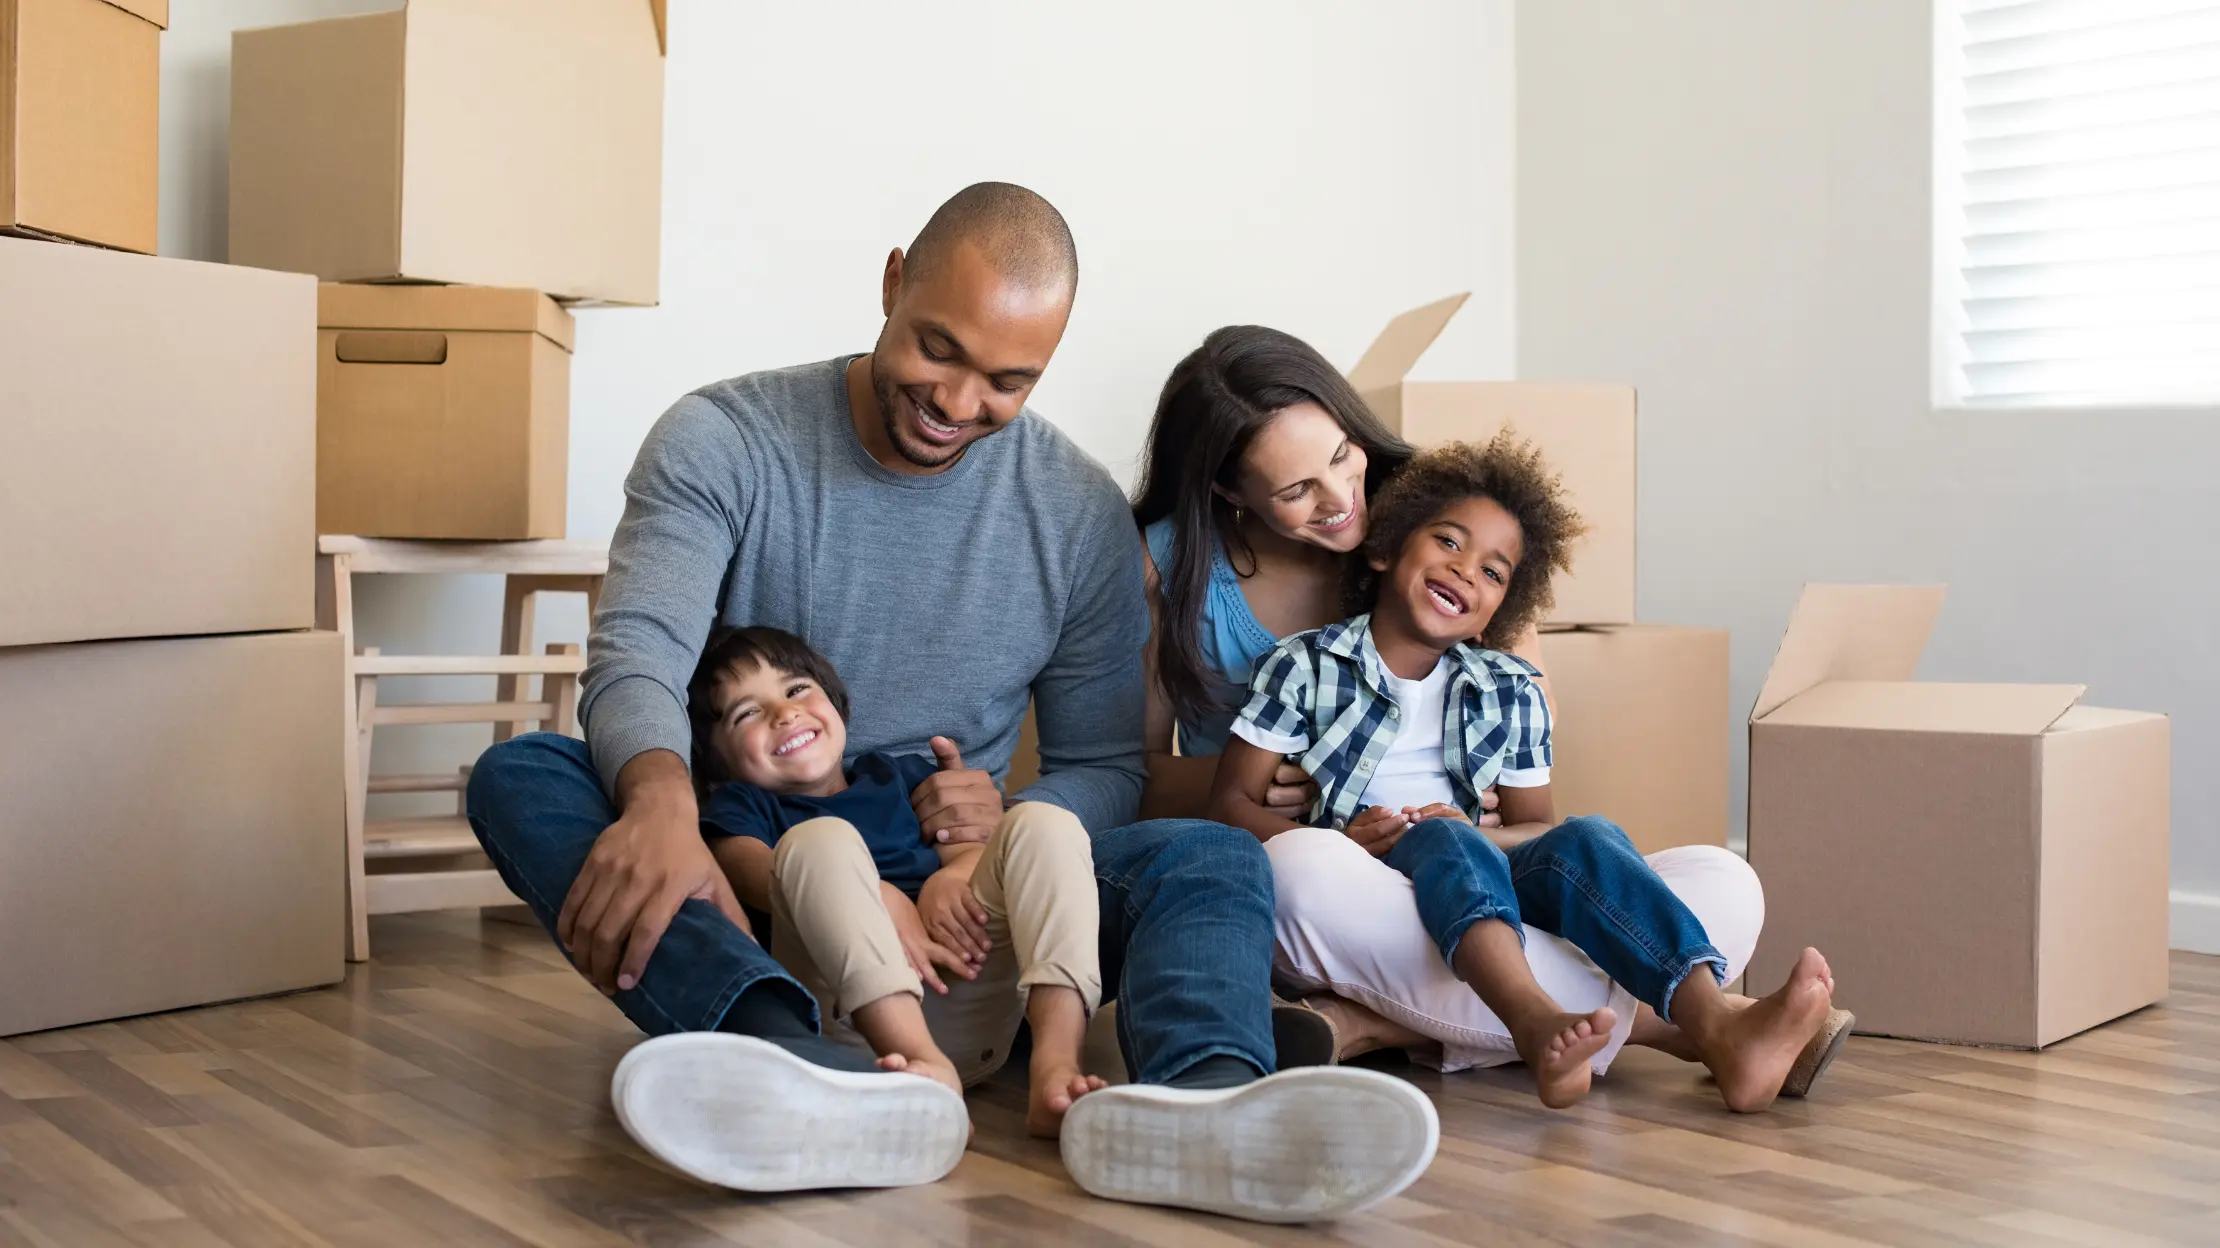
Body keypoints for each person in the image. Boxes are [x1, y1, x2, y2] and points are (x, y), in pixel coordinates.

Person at [466, 183, 1437, 1221]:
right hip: (757, 868)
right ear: (892, 283)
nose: (959, 401)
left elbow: (1106, 763)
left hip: (973, 912)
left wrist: (996, 834)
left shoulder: (1073, 514)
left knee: (1209, 854)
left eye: (1007, 381)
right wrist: (663, 804)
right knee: (525, 775)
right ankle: (778, 1054)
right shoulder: (722, 440)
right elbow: (639, 655)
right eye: (939, 349)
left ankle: (1203, 1101)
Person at [1131, 325, 1852, 1093]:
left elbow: (1532, 809)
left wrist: (1490, 835)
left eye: (1342, 456)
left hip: (1482, 871)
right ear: (1230, 492)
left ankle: (1374, 1024)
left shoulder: (1452, 527)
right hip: (1334, 877)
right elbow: (1137, 778)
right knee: (1305, 870)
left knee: (1724, 881)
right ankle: (1679, 1029)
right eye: (1296, 489)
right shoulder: (1231, 612)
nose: (1345, 501)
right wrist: (1297, 796)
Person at [682, 624, 1108, 1135]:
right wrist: (876, 895)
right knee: (820, 840)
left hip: (971, 989)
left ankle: (1056, 1067)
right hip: (859, 1024)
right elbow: (749, 873)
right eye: (747, 712)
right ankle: (923, 1067)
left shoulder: (897, 775)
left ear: (837, 706)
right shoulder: (741, 807)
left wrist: (951, 877)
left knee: (1045, 823)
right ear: (716, 763)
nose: (785, 712)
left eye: (796, 689)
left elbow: (971, 848)